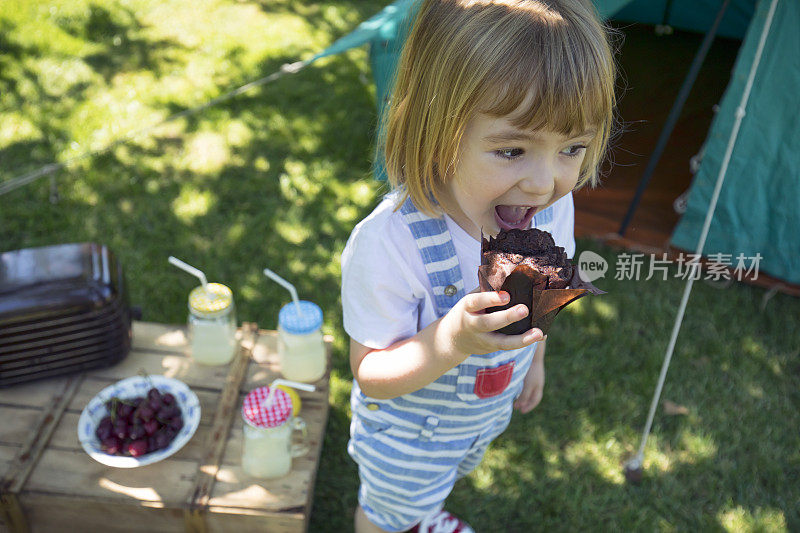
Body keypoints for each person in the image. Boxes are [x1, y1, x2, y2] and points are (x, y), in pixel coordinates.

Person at [341, 1, 617, 531]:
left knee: (436, 488)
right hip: (409, 436)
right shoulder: (391, 243)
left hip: (480, 415)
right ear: (436, 127)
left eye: (572, 147)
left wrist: (533, 361)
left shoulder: (552, 211)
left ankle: (423, 514)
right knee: (388, 514)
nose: (544, 182)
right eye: (513, 150)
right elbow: (370, 374)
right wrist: (451, 341)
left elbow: (543, 293)